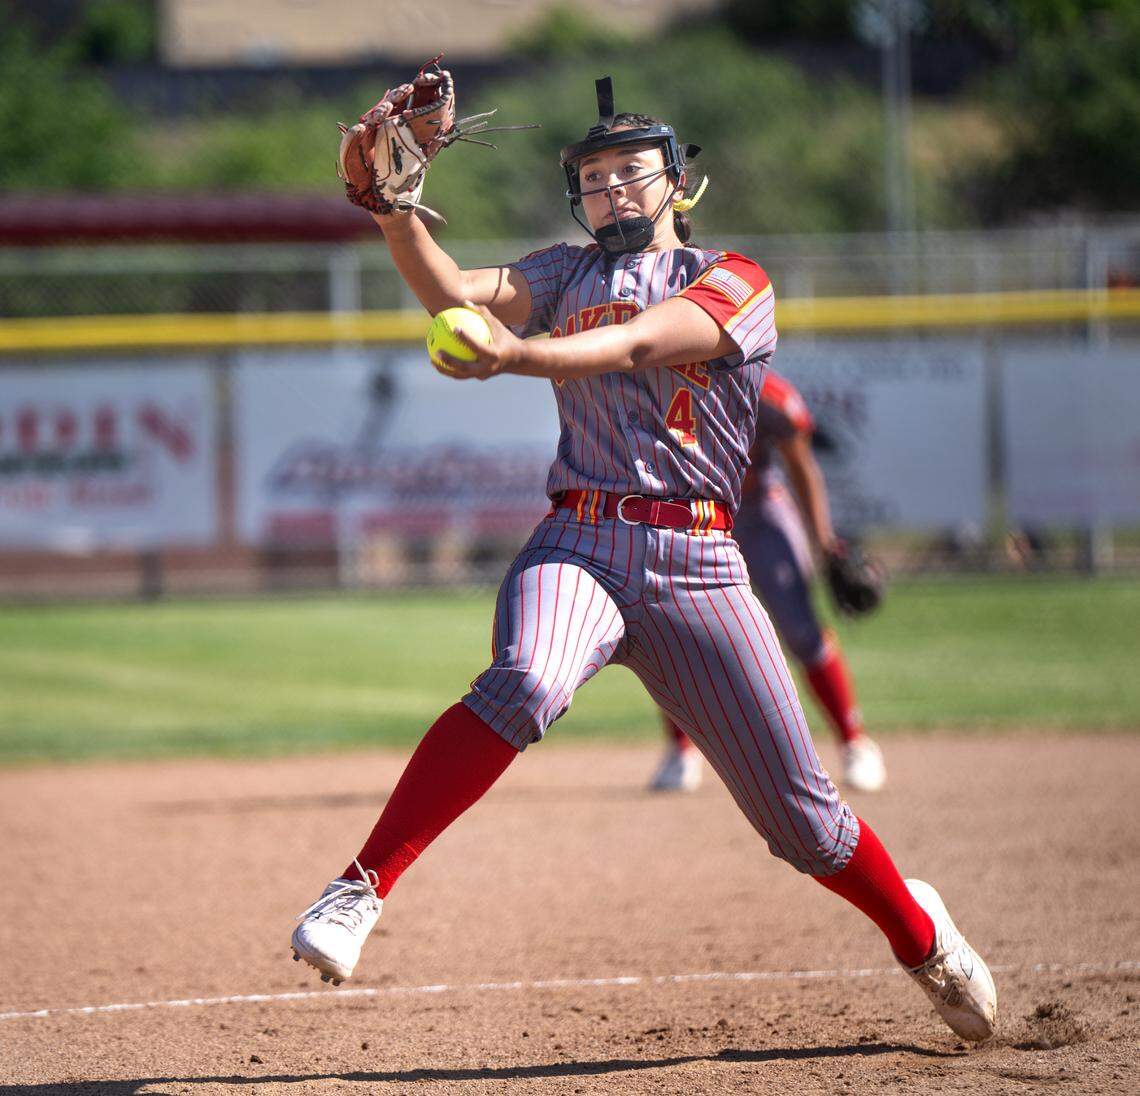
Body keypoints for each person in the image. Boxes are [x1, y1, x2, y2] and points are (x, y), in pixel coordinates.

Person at [291, 74, 997, 1044]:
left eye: (633, 171)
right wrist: (393, 206)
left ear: (678, 183)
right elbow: (454, 290)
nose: (614, 189)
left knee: (809, 828)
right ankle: (357, 888)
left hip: (702, 560)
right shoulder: (563, 273)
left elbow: (638, 347)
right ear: (573, 195)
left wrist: (516, 355)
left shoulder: (736, 279)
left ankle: (924, 938)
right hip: (579, 536)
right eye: (594, 176)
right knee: (525, 680)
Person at [650, 371, 886, 794]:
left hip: (757, 511)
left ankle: (855, 743)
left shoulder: (768, 394)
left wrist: (824, 544)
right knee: (675, 633)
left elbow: (801, 467)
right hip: (692, 514)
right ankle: (681, 750)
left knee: (800, 629)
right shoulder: (664, 382)